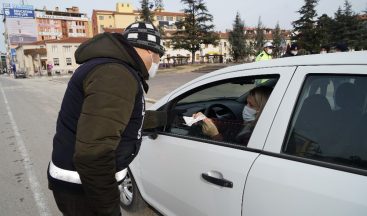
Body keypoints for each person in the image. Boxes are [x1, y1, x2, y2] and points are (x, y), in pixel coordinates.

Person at [47, 22, 165, 216]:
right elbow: (94, 154)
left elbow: (121, 119)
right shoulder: (116, 74)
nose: (159, 60)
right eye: (159, 54)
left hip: (80, 186)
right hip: (82, 190)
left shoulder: (111, 67)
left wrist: (167, 117)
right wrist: (109, 210)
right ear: (147, 50)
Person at [193, 86, 272, 144]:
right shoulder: (250, 124)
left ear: (262, 109)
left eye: (251, 105)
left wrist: (215, 135)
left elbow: (233, 154)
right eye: (246, 103)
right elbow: (233, 126)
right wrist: (209, 121)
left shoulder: (258, 135)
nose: (246, 107)